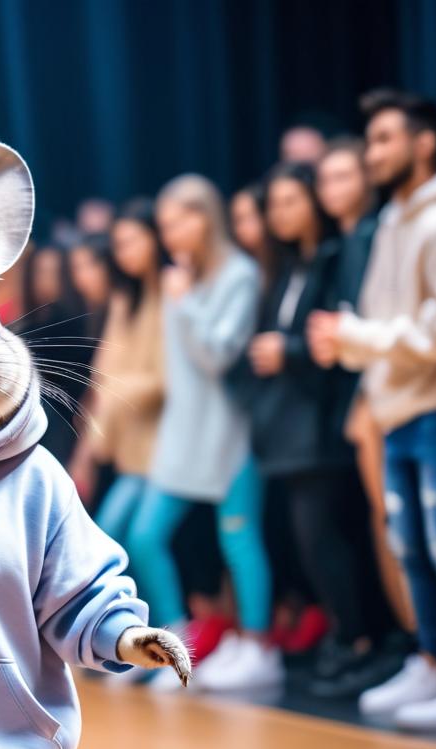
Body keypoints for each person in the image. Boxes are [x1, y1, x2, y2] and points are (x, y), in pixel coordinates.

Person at [308, 89, 436, 729]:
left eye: (387, 139)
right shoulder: (391, 222)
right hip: (398, 411)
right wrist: (348, 338)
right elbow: (389, 322)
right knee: (411, 547)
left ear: (424, 143)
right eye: (371, 141)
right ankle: (432, 661)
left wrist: (356, 337)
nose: (374, 153)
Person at [229, 162, 394, 693]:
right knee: (313, 543)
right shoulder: (284, 268)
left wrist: (291, 351)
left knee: (332, 539)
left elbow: (335, 335)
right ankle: (350, 641)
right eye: (273, 204)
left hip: (324, 427)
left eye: (291, 201)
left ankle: (366, 641)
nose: (280, 213)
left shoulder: (334, 257)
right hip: (287, 429)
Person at [125, 175, 277, 690]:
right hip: (181, 432)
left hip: (228, 433)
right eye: (163, 225)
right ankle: (174, 645)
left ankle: (258, 647)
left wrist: (185, 302)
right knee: (145, 537)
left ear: (203, 218)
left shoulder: (239, 274)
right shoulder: (181, 275)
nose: (168, 235)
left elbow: (218, 355)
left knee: (239, 541)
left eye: (176, 222)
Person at [69, 200, 165, 547]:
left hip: (164, 440)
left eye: (132, 241)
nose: (124, 253)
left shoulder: (170, 290)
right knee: (115, 535)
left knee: (138, 540)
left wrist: (110, 395)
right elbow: (105, 371)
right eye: (119, 245)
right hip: (130, 442)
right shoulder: (126, 299)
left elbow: (164, 378)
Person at [18, 243, 86, 463]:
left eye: (54, 273)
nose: (46, 280)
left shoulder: (74, 327)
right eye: (40, 272)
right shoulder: (31, 325)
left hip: (63, 433)